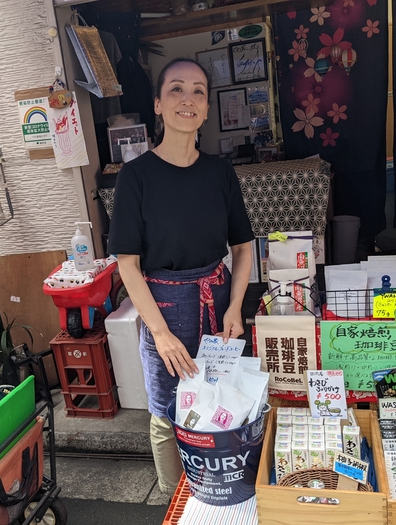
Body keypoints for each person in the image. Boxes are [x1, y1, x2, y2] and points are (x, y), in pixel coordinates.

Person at [107, 57, 255, 495]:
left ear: (206, 109)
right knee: (166, 410)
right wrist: (161, 334)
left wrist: (235, 308)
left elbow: (242, 248)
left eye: (198, 91)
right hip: (164, 310)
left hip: (218, 300)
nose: (187, 99)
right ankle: (177, 503)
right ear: (157, 103)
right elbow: (127, 264)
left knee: (223, 396)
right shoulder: (135, 176)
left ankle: (222, 492)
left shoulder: (220, 173)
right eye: (176, 89)